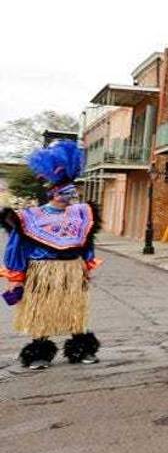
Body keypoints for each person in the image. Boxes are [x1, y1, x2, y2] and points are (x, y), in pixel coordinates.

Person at [1, 140, 101, 369]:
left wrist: (86, 267)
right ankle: (39, 352)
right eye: (66, 191)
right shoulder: (30, 217)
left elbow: (87, 245)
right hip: (42, 271)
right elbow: (17, 248)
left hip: (72, 269)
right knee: (42, 310)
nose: (71, 194)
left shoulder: (81, 214)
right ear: (53, 192)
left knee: (75, 309)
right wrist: (15, 280)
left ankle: (81, 348)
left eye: (72, 190)